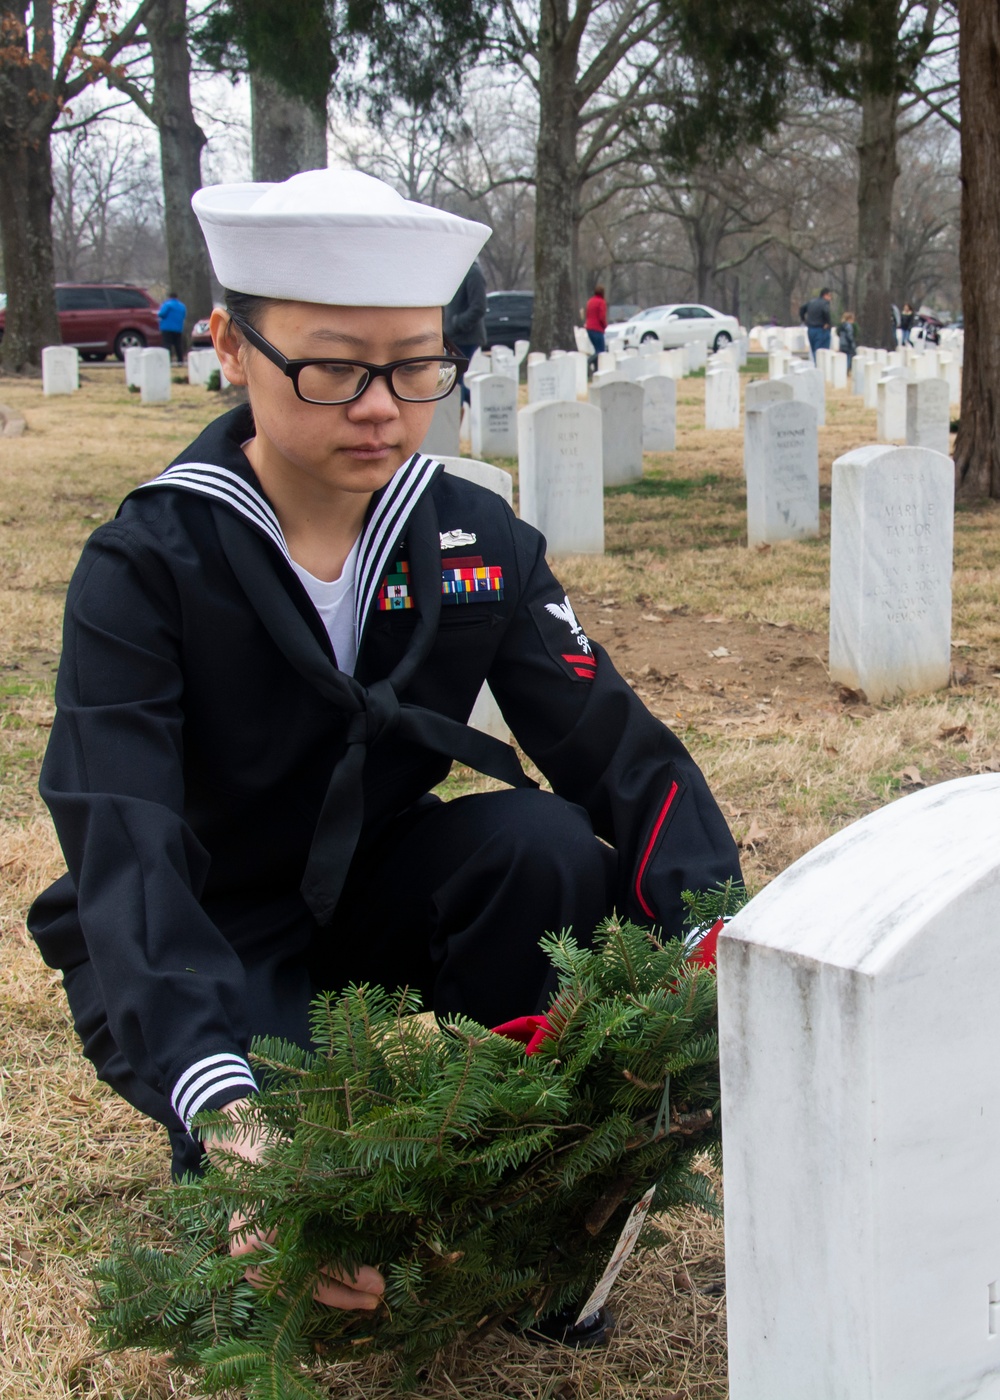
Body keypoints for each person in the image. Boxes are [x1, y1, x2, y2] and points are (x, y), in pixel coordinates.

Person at [27, 169, 740, 1319]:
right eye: (334, 366)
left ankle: (532, 1188)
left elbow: (610, 741)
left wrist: (714, 946)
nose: (380, 407)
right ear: (231, 344)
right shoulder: (150, 563)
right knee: (298, 1256)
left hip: (377, 882)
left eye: (415, 366)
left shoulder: (466, 534)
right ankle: (245, 1103)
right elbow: (127, 838)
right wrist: (231, 1112)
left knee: (542, 844)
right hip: (203, 923)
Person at [443, 257, 486, 404]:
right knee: (454, 383)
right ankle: (479, 407)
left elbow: (479, 307)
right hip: (453, 337)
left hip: (467, 338)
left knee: (457, 383)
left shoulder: (473, 272)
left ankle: (472, 411)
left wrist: (456, 323)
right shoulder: (456, 272)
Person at [799, 287, 832, 363]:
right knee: (822, 352)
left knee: (814, 351)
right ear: (825, 295)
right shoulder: (825, 303)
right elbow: (825, 311)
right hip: (821, 329)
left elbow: (802, 309)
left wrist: (803, 319)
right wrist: (828, 323)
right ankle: (821, 369)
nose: (830, 298)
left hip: (811, 329)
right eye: (829, 296)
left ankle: (816, 366)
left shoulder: (811, 302)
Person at [157, 291, 187, 362]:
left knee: (167, 344)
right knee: (178, 345)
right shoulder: (182, 306)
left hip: (167, 328)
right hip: (178, 329)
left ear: (169, 297)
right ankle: (180, 360)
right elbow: (184, 316)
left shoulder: (167, 304)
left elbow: (161, 314)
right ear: (177, 297)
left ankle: (167, 360)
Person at [585, 283, 608, 370]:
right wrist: (605, 326)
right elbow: (602, 317)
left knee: (596, 350)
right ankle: (588, 362)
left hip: (589, 328)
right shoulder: (601, 302)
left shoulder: (590, 301)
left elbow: (587, 314)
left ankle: (596, 369)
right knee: (601, 351)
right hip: (597, 329)